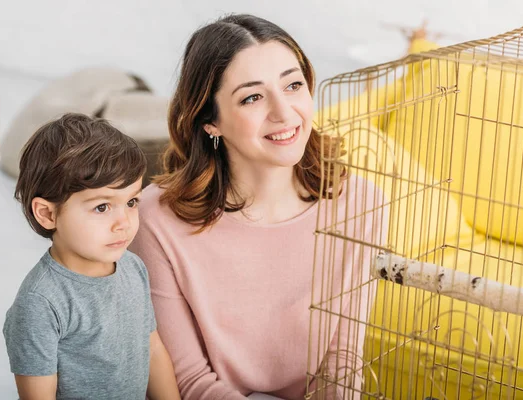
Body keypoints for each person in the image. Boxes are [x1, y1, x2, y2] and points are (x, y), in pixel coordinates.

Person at [129, 14, 386, 399]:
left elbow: (342, 359)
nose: (284, 113)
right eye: (252, 97)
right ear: (209, 121)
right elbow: (190, 382)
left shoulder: (362, 203)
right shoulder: (155, 219)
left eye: (293, 85)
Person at [3, 113, 181, 400]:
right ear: (48, 214)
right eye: (102, 207)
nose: (124, 222)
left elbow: (152, 349)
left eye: (131, 201)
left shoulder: (133, 267)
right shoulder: (39, 304)